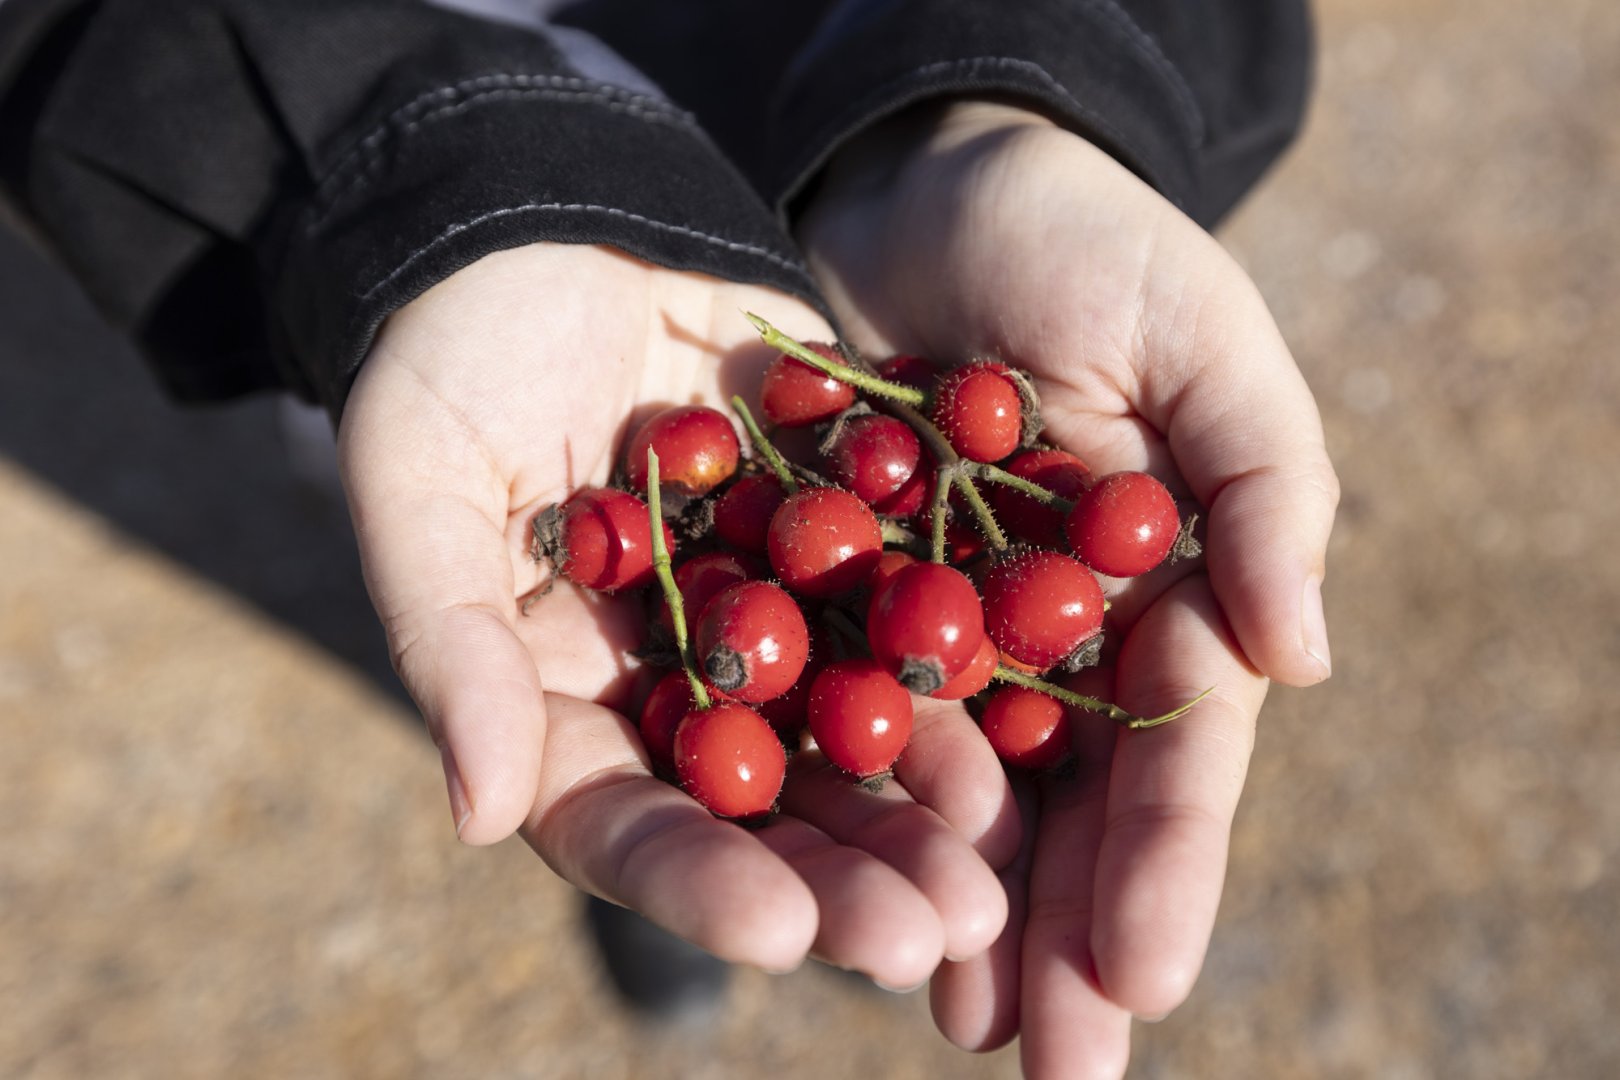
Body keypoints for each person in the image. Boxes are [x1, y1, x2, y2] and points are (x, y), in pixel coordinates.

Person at [0, 1, 1337, 1075]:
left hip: (837, 101)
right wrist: (397, 175)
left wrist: (1014, 82)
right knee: (494, 609)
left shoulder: (880, 507)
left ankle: (810, 894)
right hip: (465, 292)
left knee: (662, 726)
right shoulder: (798, 514)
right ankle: (680, 876)